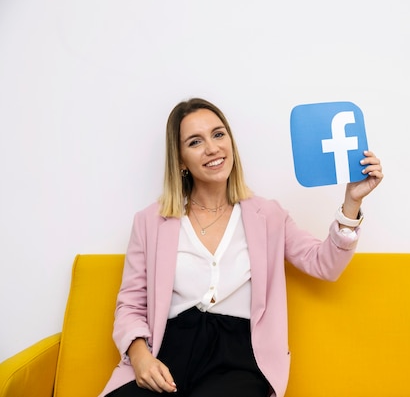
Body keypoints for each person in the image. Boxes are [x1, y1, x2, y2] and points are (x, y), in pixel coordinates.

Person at [99, 97, 383, 397]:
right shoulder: (150, 222)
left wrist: (352, 202)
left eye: (218, 134)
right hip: (166, 355)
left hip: (237, 361)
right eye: (195, 142)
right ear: (180, 159)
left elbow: (324, 264)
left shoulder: (268, 216)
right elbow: (130, 304)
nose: (212, 148)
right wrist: (141, 357)